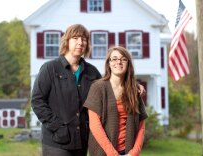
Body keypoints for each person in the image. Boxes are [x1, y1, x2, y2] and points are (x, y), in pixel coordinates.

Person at [31, 24, 145, 156]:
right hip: (56, 142)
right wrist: (58, 127)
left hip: (82, 141)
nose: (80, 42)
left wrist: (133, 85)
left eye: (84, 39)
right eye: (75, 38)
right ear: (67, 41)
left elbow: (110, 85)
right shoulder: (50, 68)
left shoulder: (91, 72)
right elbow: (37, 102)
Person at [84, 46, 148, 156]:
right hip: (103, 152)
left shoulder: (133, 90)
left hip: (128, 152)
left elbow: (141, 125)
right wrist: (112, 154)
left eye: (123, 59)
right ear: (108, 63)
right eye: (114, 59)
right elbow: (95, 125)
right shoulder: (98, 88)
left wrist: (134, 153)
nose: (118, 62)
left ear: (128, 64)